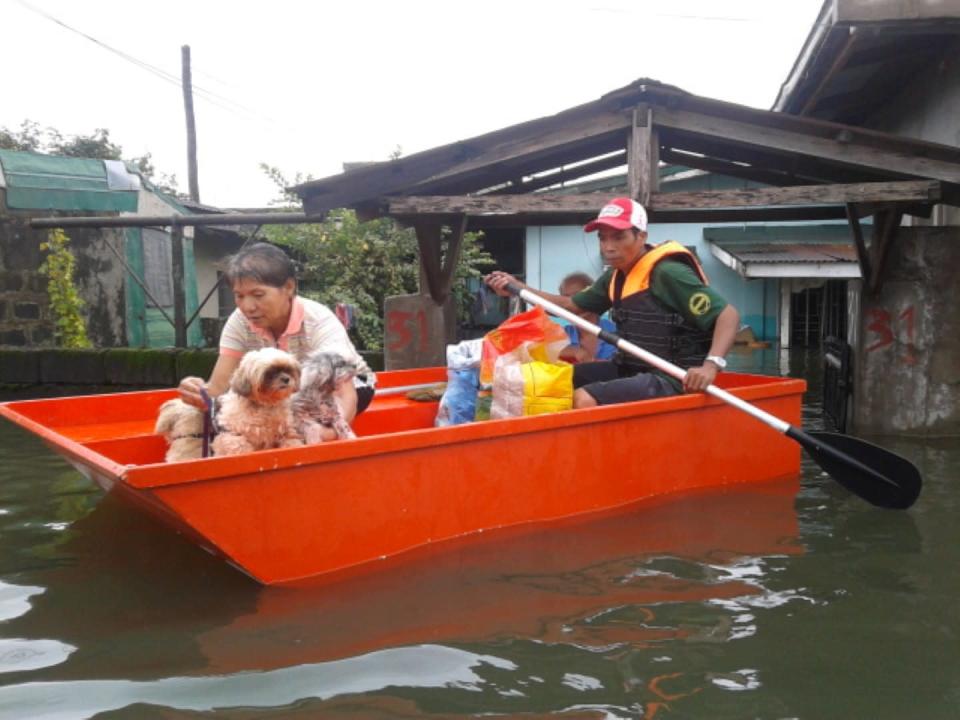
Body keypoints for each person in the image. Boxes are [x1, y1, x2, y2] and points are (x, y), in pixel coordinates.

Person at [486, 197, 739, 409]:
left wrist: (710, 366)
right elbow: (573, 306)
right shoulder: (615, 276)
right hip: (629, 368)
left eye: (618, 237)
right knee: (555, 381)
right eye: (603, 238)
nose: (609, 247)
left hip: (673, 376)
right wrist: (519, 289)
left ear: (641, 236)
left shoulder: (667, 273)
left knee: (584, 398)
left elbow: (728, 315)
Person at [178, 243, 375, 439]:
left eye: (258, 295)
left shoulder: (319, 321)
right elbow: (219, 386)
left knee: (296, 416)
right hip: (284, 392)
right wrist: (198, 392)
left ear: (289, 287)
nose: (247, 307)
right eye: (239, 296)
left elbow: (344, 394)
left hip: (345, 388)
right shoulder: (239, 321)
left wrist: (329, 434)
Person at [557, 271, 617, 363]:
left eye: (578, 296)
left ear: (592, 297)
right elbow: (536, 350)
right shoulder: (562, 335)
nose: (573, 303)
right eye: (566, 298)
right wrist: (573, 351)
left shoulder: (617, 331)